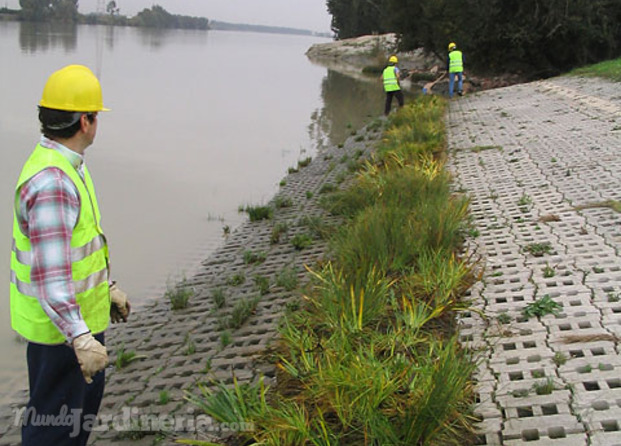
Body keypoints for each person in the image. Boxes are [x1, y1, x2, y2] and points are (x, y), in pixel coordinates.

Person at [10, 64, 131, 446]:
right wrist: (80, 338)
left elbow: (74, 251)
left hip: (71, 328)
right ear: (86, 121)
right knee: (53, 433)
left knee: (69, 428)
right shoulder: (54, 182)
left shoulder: (68, 167)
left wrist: (105, 287)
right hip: (62, 338)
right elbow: (51, 278)